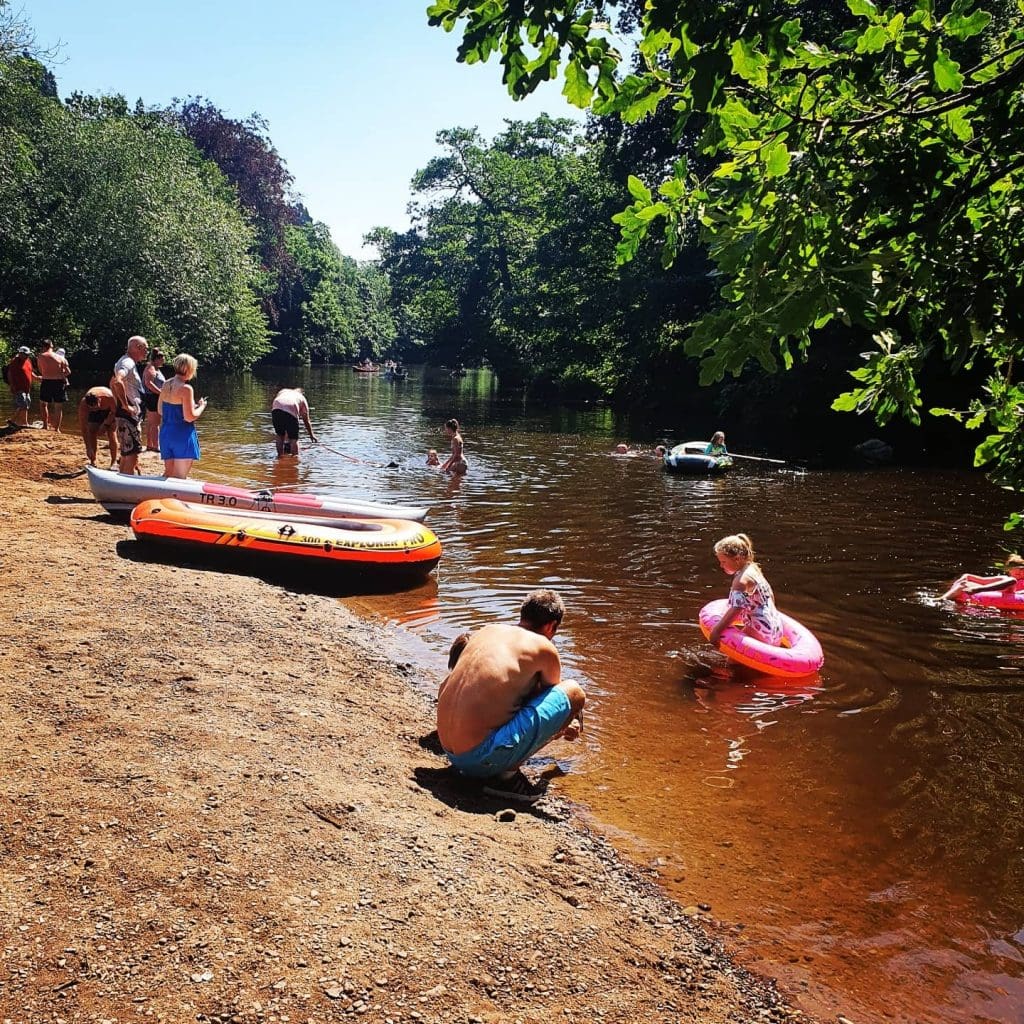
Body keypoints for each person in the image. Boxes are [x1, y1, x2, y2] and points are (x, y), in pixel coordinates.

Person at [436, 589, 586, 803]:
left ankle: (495, 767)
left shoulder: (487, 630)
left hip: (449, 748)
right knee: (574, 692)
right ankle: (505, 779)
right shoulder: (544, 647)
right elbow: (551, 701)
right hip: (477, 759)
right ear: (551, 626)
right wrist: (562, 727)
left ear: (523, 615)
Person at [708, 533, 783, 647]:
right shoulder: (753, 569)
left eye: (723, 562)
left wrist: (717, 631)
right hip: (774, 626)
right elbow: (770, 595)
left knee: (732, 663)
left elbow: (737, 608)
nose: (721, 566)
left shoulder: (741, 580)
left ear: (737, 559)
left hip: (758, 629)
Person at [158, 353, 206, 479]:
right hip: (182, 435)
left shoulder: (166, 384)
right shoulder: (186, 388)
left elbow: (160, 410)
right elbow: (189, 417)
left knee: (168, 474)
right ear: (189, 369)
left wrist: (189, 407)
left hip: (166, 434)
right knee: (179, 478)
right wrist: (201, 406)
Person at [110, 335, 148, 475]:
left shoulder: (124, 361)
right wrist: (126, 406)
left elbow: (112, 381)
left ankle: (121, 485)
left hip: (126, 417)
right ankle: (127, 489)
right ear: (138, 348)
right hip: (128, 417)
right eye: (145, 348)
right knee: (132, 454)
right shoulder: (128, 363)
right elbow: (117, 381)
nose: (147, 352)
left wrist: (119, 404)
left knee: (127, 453)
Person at [941, 554, 1024, 602]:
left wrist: (1019, 593)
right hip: (996, 592)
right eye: (1015, 568)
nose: (1019, 571)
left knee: (1013, 581)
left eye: (1022, 569)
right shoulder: (1004, 578)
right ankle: (941, 599)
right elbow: (969, 576)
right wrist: (960, 580)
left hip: (1013, 594)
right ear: (1009, 570)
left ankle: (979, 589)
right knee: (964, 584)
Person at [271, 387, 317, 458]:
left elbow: (281, 405)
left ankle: (279, 456)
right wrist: (311, 435)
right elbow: (306, 420)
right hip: (291, 407)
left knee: (280, 434)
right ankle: (295, 458)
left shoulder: (284, 391)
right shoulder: (302, 398)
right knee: (294, 438)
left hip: (276, 407)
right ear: (302, 393)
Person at [77, 387, 118, 467]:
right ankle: (93, 460)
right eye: (92, 408)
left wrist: (105, 424)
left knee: (111, 432)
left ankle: (114, 461)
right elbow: (84, 428)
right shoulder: (84, 405)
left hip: (110, 411)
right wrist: (88, 447)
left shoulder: (109, 397)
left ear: (99, 399)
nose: (96, 408)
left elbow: (115, 412)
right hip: (94, 413)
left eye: (96, 406)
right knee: (91, 431)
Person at [36, 340, 71, 432]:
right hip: (59, 382)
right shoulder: (61, 358)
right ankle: (57, 429)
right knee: (58, 407)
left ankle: (45, 426)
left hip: (47, 381)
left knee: (43, 404)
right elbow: (68, 372)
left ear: (43, 347)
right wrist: (60, 375)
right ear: (52, 346)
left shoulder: (41, 357)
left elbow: (41, 370)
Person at [141, 348, 166, 451]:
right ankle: (155, 446)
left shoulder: (155, 368)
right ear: (156, 359)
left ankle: (150, 444)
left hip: (153, 397)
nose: (163, 361)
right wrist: (161, 393)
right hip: (153, 397)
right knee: (155, 423)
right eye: (162, 359)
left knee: (151, 422)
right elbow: (148, 383)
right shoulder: (150, 368)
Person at [5, 346, 37, 426]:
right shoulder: (14, 361)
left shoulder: (28, 360)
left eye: (28, 354)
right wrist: (12, 385)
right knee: (23, 404)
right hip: (18, 387)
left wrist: (37, 378)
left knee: (26, 404)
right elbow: (9, 374)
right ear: (20, 353)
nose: (27, 356)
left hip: (26, 388)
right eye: (26, 354)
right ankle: (14, 421)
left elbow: (30, 372)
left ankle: (22, 422)